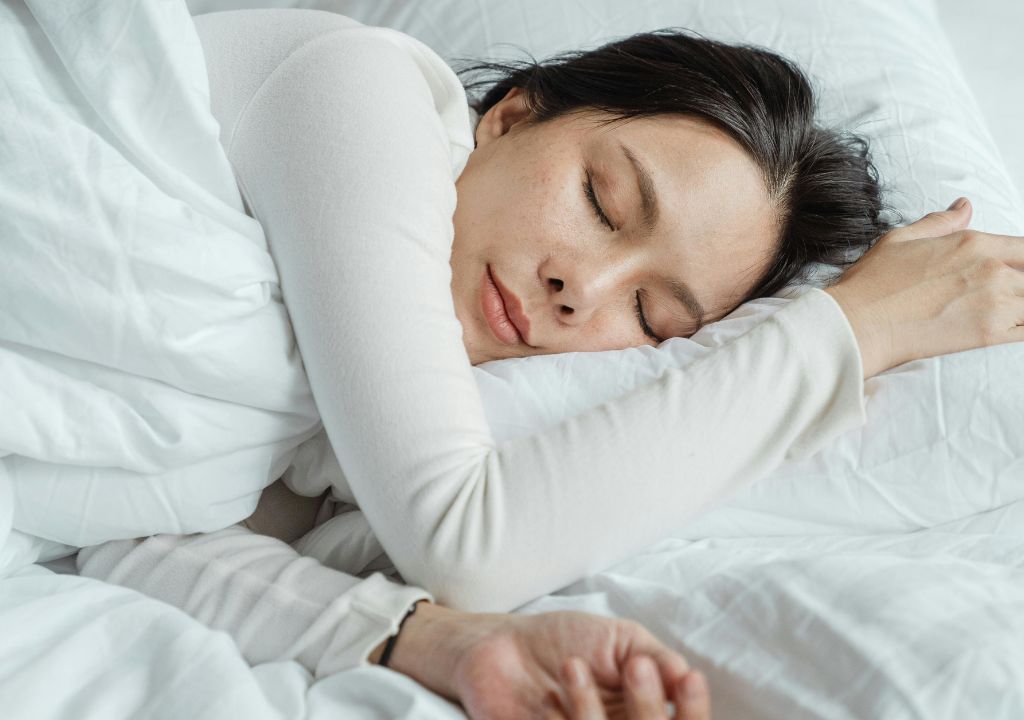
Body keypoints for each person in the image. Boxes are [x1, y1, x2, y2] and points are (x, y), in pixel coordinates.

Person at [76, 7, 1024, 720]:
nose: (584, 286)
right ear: (512, 116)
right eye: (603, 202)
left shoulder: (318, 425)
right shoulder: (350, 88)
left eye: (651, 315)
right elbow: (471, 542)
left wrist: (444, 646)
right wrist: (850, 331)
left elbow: (122, 535)